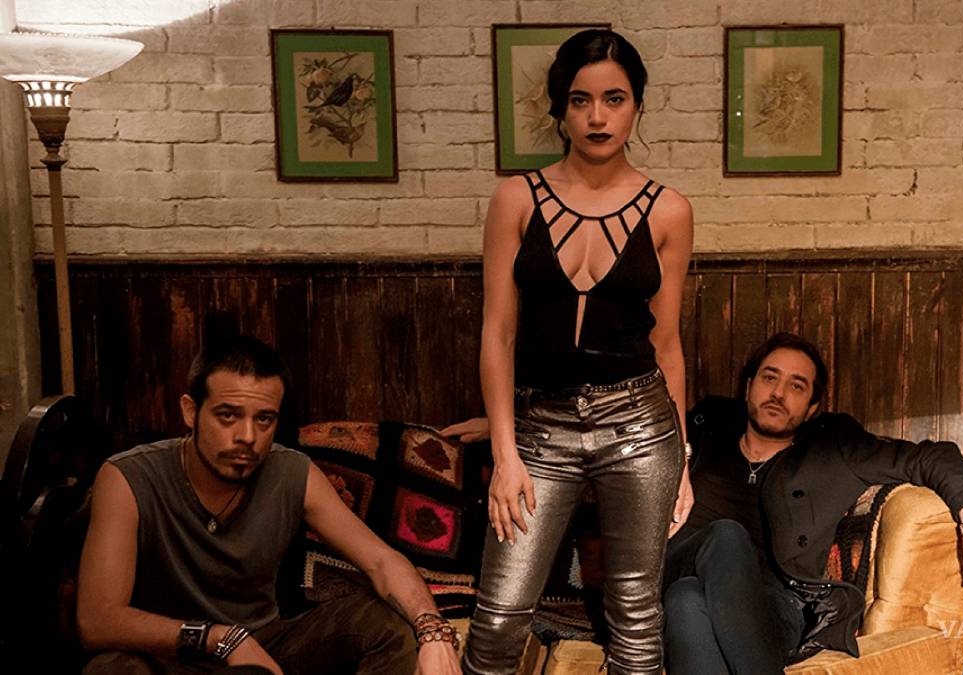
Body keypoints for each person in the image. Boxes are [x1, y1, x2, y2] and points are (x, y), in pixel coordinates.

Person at [464, 28, 695, 675]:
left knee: (636, 618)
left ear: (637, 106)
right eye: (580, 100)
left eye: (614, 99)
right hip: (540, 427)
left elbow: (667, 343)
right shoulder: (516, 199)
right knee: (500, 616)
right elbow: (497, 335)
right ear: (559, 110)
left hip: (641, 424)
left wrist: (682, 459)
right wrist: (505, 455)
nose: (597, 116)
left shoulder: (669, 211)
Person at [76, 333, 462, 675]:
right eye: (228, 415)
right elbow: (98, 621)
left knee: (384, 625)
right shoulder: (128, 476)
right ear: (191, 411)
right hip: (169, 654)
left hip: (266, 651)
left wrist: (434, 633)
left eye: (264, 420)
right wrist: (222, 639)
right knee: (110, 669)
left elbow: (381, 561)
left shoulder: (291, 471)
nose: (247, 436)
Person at [663, 332, 963, 674]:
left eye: (797, 386)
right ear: (749, 385)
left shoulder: (833, 448)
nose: (778, 393)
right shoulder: (705, 427)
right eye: (770, 378)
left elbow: (931, 457)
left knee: (686, 600)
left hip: (775, 605)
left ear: (812, 407)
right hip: (677, 564)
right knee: (724, 537)